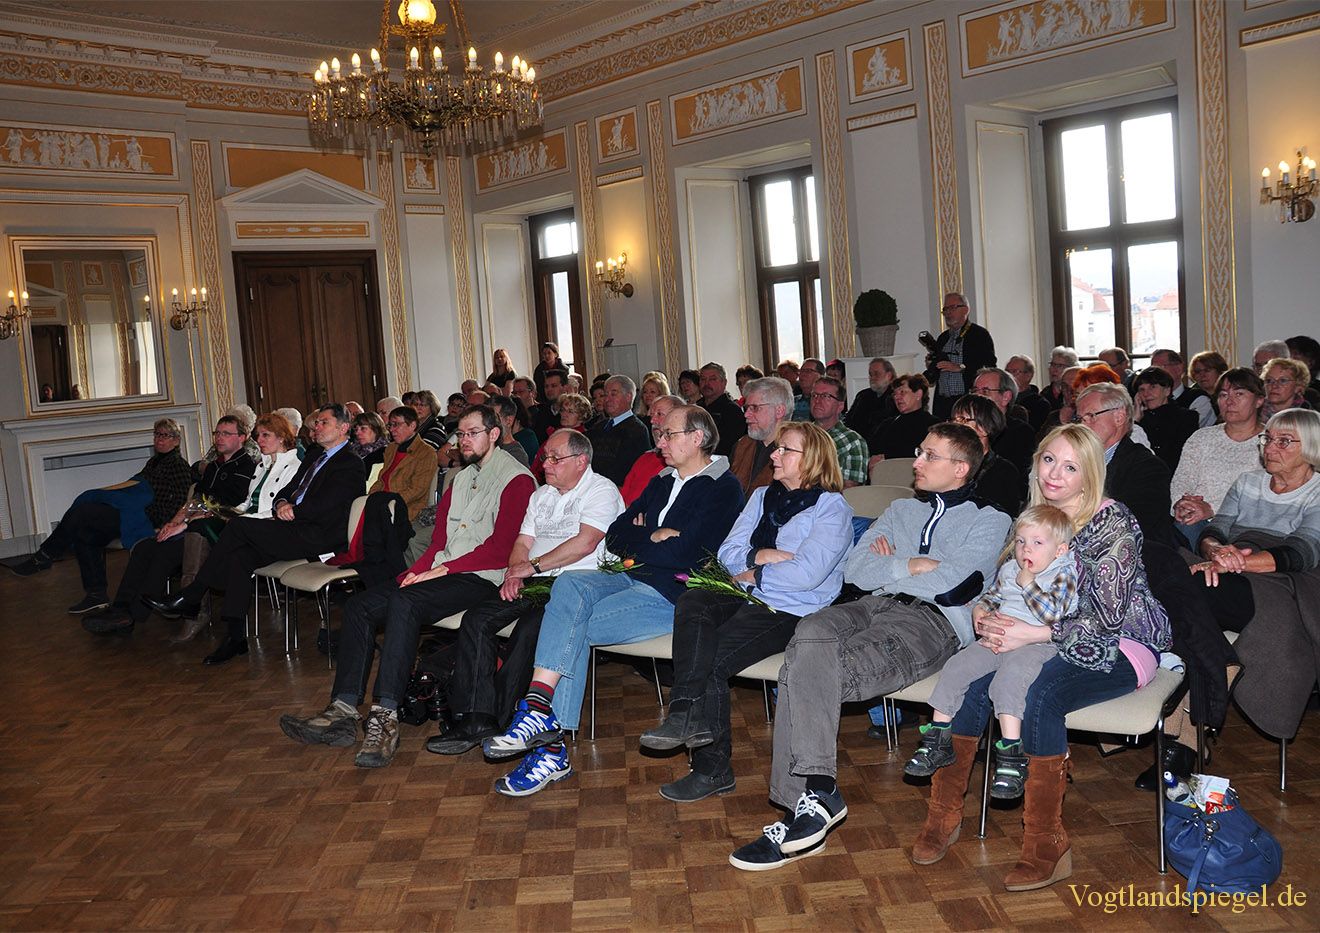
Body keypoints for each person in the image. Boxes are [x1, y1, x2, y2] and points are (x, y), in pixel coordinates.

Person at [727, 423, 1009, 870]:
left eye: (930, 456)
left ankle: (803, 808)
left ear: (961, 468)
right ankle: (818, 795)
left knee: (800, 670)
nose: (916, 462)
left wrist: (892, 562)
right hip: (870, 604)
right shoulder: (900, 509)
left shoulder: (991, 520)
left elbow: (956, 586)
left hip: (930, 622)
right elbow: (856, 571)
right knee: (812, 629)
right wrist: (915, 565)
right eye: (919, 451)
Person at [913, 425, 1170, 891]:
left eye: (1070, 466)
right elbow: (1006, 582)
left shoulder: (1113, 522)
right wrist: (984, 612)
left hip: (1119, 644)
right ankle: (943, 815)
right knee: (971, 684)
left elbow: (1107, 618)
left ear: (1090, 474)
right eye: (1049, 460)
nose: (1055, 473)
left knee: (1040, 696)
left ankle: (1046, 843)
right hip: (1034, 638)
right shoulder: (1035, 516)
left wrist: (1032, 633)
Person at [480, 406, 744, 797]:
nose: (659, 442)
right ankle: (539, 709)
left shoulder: (723, 487)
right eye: (659, 434)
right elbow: (617, 537)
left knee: (571, 624)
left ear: (697, 438)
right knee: (570, 585)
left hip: (672, 594)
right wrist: (656, 536)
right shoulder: (662, 480)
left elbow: (688, 553)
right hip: (628, 575)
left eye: (668, 434)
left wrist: (647, 539)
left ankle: (548, 745)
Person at [278, 405, 535, 768]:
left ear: (494, 434)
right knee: (360, 606)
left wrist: (441, 570)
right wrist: (411, 574)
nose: (463, 441)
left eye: (472, 433)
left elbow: (502, 548)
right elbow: (438, 543)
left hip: (484, 578)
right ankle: (343, 710)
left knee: (406, 603)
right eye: (460, 434)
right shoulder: (460, 479)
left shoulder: (517, 479)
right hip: (446, 571)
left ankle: (385, 716)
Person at [641, 422, 852, 801]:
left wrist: (755, 571)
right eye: (777, 448)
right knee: (694, 599)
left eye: (785, 450)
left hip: (791, 609)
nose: (774, 455)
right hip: (745, 592)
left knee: (712, 658)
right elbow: (728, 552)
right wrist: (763, 555)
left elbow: (807, 575)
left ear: (812, 459)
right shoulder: (762, 497)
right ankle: (683, 712)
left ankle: (712, 770)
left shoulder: (831, 508)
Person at [426, 429, 625, 755]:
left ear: (581, 461)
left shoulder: (601, 490)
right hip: (533, 579)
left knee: (529, 630)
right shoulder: (542, 495)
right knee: (476, 620)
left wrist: (530, 567)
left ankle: (507, 720)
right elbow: (522, 541)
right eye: (545, 457)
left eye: (555, 459)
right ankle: (476, 719)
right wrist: (514, 573)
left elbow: (585, 543)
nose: (545, 464)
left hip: (574, 586)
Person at [145, 404, 367, 664]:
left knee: (238, 527)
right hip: (295, 527)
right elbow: (289, 490)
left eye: (324, 422)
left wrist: (294, 510)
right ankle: (235, 637)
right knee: (241, 557)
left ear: (343, 428)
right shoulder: (315, 456)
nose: (317, 427)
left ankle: (193, 594)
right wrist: (282, 502)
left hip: (320, 537)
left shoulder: (350, 463)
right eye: (316, 422)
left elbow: (331, 505)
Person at [905, 505, 1077, 799]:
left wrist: (1029, 585)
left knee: (1008, 681)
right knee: (956, 666)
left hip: (1036, 646)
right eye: (1021, 541)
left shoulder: (1062, 573)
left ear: (1060, 550)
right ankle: (937, 738)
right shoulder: (1011, 569)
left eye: (1037, 542)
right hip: (997, 639)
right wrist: (981, 609)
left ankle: (1011, 755)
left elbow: (1053, 614)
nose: (1026, 549)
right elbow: (993, 596)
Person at [1191, 409, 1320, 731]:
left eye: (1284, 441)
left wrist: (1230, 562)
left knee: (1189, 590)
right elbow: (1215, 530)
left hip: (1285, 580)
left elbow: (1301, 552)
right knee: (1163, 566)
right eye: (1268, 439)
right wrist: (1216, 551)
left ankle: (1194, 711)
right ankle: (1212, 675)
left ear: (1312, 446)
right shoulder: (1248, 482)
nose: (1270, 448)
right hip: (1230, 568)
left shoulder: (1317, 492)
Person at [80, 417, 259, 636]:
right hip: (193, 524)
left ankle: (132, 615)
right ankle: (120, 608)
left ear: (242, 438)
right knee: (145, 546)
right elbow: (195, 500)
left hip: (216, 531)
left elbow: (227, 508)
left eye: (226, 433)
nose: (219, 438)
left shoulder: (247, 468)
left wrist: (183, 525)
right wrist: (173, 522)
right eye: (217, 433)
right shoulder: (213, 466)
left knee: (165, 552)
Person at [9, 418, 192, 614]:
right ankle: (96, 595)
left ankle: (45, 556)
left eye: (165, 435)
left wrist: (161, 522)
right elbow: (135, 485)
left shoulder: (179, 466)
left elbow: (179, 502)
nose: (159, 439)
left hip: (145, 517)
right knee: (86, 533)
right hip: (132, 510)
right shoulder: (154, 462)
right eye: (157, 434)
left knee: (84, 512)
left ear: (176, 440)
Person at [1071, 383, 1175, 547]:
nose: (1082, 425)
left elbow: (1129, 525)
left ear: (1119, 417)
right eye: (1079, 419)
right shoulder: (1071, 459)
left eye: (1090, 416)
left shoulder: (1148, 468)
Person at [1170, 369, 1265, 548]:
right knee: (1182, 526)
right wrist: (1181, 504)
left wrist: (1212, 508)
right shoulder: (1202, 437)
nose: (1229, 401)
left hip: (1244, 524)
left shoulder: (1270, 441)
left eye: (1239, 394)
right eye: (1223, 395)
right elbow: (1182, 480)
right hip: (1195, 519)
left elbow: (1263, 497)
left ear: (1259, 400)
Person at [923, 292, 996, 419]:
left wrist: (961, 368)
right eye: (945, 309)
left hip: (967, 401)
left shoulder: (979, 335)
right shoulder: (943, 338)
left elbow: (989, 367)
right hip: (943, 402)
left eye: (952, 307)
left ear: (966, 310)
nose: (948, 313)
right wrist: (932, 365)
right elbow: (935, 374)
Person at [950, 394, 1022, 517]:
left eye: (962, 420)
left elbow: (1004, 518)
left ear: (984, 428)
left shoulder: (1004, 471)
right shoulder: (947, 463)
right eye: (953, 420)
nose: (954, 427)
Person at [729, 376, 793, 494]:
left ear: (779, 411)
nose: (746, 415)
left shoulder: (796, 451)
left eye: (755, 408)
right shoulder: (742, 445)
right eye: (746, 408)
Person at [585, 375, 651, 486]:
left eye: (613, 394)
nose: (607, 399)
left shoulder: (636, 430)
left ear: (628, 397)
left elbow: (628, 472)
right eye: (606, 394)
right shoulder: (598, 427)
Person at [972, 367, 1037, 482]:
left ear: (1006, 397)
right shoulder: (965, 427)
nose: (977, 396)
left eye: (985, 391)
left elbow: (1015, 477)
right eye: (975, 391)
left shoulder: (1020, 432)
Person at [619, 394, 683, 505]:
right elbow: (622, 498)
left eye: (659, 414)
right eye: (651, 415)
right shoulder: (644, 459)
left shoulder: (684, 464)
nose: (652, 421)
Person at [1132, 366, 1199, 471]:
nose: (1146, 393)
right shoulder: (1138, 421)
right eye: (1142, 389)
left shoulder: (1186, 417)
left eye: (1152, 387)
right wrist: (1135, 421)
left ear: (1167, 391)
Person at [866, 373, 936, 464]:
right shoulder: (887, 423)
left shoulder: (933, 425)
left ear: (918, 394)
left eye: (902, 392)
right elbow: (870, 448)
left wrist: (887, 457)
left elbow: (926, 454)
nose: (897, 397)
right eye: (895, 394)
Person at [809, 376, 866, 487]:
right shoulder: (801, 436)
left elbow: (850, 489)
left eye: (825, 396)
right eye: (814, 395)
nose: (817, 401)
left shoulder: (852, 441)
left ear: (840, 406)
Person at [1151, 348, 1215, 428]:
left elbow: (1189, 428)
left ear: (1178, 369)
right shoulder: (1149, 398)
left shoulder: (1198, 398)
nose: (1155, 374)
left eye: (1160, 368)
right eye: (1152, 369)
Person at [697, 362, 748, 456]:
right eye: (703, 379)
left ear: (724, 382)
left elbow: (730, 447)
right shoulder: (696, 408)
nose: (706, 383)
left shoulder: (732, 411)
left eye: (712, 379)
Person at [844, 357, 898, 440]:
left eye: (876, 374)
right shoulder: (863, 395)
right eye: (870, 374)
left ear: (889, 375)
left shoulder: (896, 397)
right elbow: (849, 420)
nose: (872, 378)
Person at [1006, 355, 1051, 431]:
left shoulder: (1040, 404)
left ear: (1028, 376)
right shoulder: (1001, 398)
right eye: (1007, 372)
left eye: (1014, 371)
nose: (1009, 376)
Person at [1040, 347, 1080, 412]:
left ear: (1071, 368)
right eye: (1052, 364)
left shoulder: (1076, 393)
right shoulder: (1044, 394)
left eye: (1060, 366)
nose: (1054, 369)